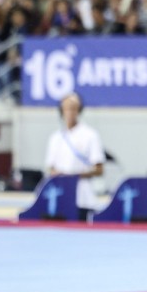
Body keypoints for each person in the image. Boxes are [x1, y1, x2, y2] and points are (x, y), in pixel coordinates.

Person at [45, 93, 106, 221]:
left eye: (73, 108)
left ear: (79, 110)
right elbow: (51, 168)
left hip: (83, 198)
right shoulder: (56, 138)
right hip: (61, 197)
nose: (69, 112)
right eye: (66, 108)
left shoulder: (90, 135)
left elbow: (99, 169)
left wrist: (73, 176)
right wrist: (60, 176)